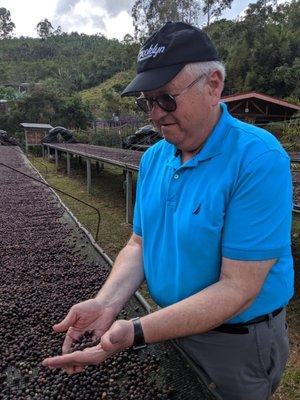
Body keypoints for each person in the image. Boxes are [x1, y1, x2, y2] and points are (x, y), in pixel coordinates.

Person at [43, 22, 294, 400]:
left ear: (213, 85)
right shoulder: (155, 158)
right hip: (168, 323)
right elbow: (139, 243)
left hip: (233, 343)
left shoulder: (258, 159)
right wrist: (107, 304)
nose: (155, 114)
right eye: (147, 102)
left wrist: (138, 330)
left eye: (166, 98)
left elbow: (238, 288)